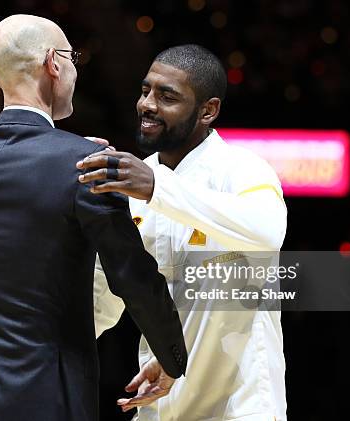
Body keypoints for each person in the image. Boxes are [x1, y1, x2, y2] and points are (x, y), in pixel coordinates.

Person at [0, 15, 187, 421]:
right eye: (73, 58)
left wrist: (63, 167)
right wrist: (174, 359)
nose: (74, 68)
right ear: (53, 63)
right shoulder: (85, 165)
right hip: (49, 396)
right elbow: (132, 276)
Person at [80, 45, 288, 420]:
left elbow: (267, 232)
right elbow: (103, 299)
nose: (147, 105)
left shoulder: (243, 169)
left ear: (207, 111)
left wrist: (157, 188)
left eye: (167, 96)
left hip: (241, 406)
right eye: (145, 91)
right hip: (160, 400)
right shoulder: (135, 181)